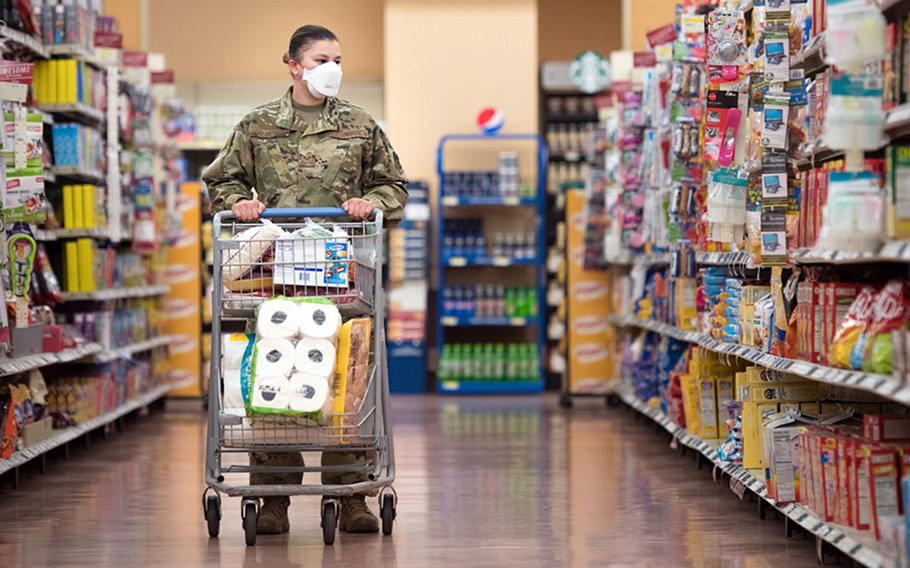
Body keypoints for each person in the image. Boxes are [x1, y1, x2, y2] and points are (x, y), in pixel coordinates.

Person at [202, 24, 408, 535]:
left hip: (345, 273)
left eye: (337, 58)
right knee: (280, 368)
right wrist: (239, 204)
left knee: (348, 371)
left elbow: (394, 187)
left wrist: (371, 203)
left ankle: (353, 492)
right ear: (293, 64)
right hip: (275, 274)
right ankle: (273, 497)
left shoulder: (360, 125)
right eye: (319, 59)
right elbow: (221, 181)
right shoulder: (258, 124)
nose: (331, 67)